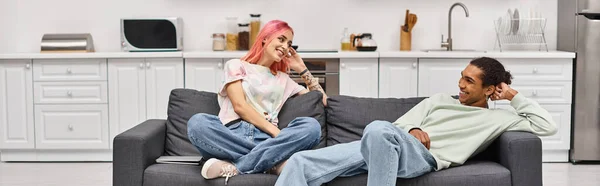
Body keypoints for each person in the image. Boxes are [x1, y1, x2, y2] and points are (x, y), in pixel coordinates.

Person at [275, 57, 558, 186]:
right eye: (461, 76)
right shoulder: (439, 100)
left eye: (469, 81)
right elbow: (399, 127)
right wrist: (413, 128)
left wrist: (511, 95)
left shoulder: (498, 119)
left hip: (422, 158)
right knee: (300, 161)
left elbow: (547, 126)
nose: (460, 84)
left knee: (376, 129)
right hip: (388, 145)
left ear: (489, 89)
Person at [186, 20, 327, 184]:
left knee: (312, 127)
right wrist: (276, 134)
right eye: (281, 39)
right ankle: (270, 162)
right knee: (197, 123)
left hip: (265, 139)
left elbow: (321, 99)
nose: (285, 46)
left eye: (289, 43)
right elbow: (240, 106)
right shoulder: (236, 65)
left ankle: (237, 167)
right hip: (232, 134)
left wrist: (302, 68)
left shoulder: (283, 79)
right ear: (265, 38)